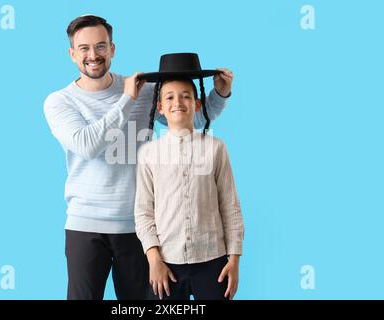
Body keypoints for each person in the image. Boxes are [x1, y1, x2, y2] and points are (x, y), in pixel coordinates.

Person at [43, 15, 234, 300]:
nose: (93, 55)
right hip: (85, 226)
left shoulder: (143, 90)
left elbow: (186, 123)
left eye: (100, 46)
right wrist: (126, 100)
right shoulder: (60, 101)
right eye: (84, 48)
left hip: (138, 229)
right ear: (72, 54)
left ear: (112, 49)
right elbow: (87, 145)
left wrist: (220, 95)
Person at [134, 53, 244, 300]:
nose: (178, 102)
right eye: (170, 97)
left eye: (186, 96)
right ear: (160, 106)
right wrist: (154, 259)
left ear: (197, 104)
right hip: (166, 263)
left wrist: (234, 258)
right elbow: (143, 212)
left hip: (213, 261)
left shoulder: (216, 148)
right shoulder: (149, 153)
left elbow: (230, 205)